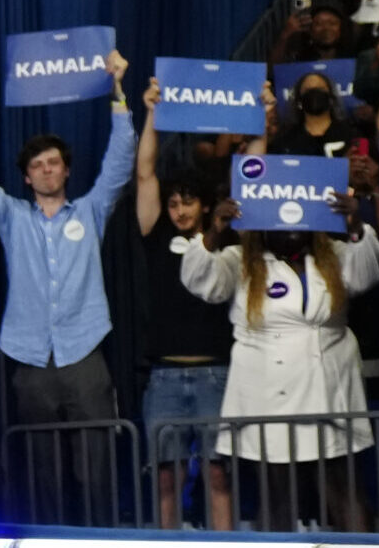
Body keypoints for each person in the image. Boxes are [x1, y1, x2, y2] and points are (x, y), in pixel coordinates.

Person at [0, 62, 133, 521]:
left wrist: (118, 88)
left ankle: (100, 539)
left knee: (95, 467)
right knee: (40, 469)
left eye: (54, 163)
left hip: (85, 351)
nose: (47, 170)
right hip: (30, 356)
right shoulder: (12, 216)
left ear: (66, 171)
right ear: (27, 178)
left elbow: (120, 161)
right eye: (37, 165)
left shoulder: (90, 210)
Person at [180, 178, 379, 529]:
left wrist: (356, 227)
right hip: (269, 395)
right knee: (278, 496)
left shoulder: (331, 257)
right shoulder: (241, 261)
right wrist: (214, 232)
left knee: (343, 488)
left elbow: (368, 273)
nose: (292, 230)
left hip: (329, 388)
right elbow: (200, 281)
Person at [134, 81, 234, 530]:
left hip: (216, 371)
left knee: (218, 474)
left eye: (188, 202)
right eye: (173, 203)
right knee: (166, 478)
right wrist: (152, 113)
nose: (179, 210)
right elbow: (145, 174)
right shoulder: (157, 233)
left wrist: (259, 120)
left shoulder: (223, 240)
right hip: (165, 375)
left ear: (206, 205)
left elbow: (254, 173)